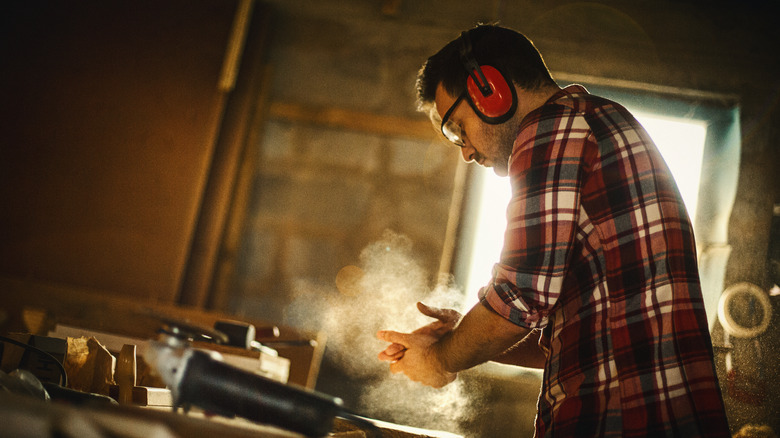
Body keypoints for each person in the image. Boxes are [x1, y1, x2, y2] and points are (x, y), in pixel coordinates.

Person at [377, 24, 730, 437]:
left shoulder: (552, 129)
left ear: (490, 92)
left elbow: (521, 296)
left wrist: (438, 361)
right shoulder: (593, 121)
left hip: (622, 419)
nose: (467, 151)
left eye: (458, 128)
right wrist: (460, 334)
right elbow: (572, 340)